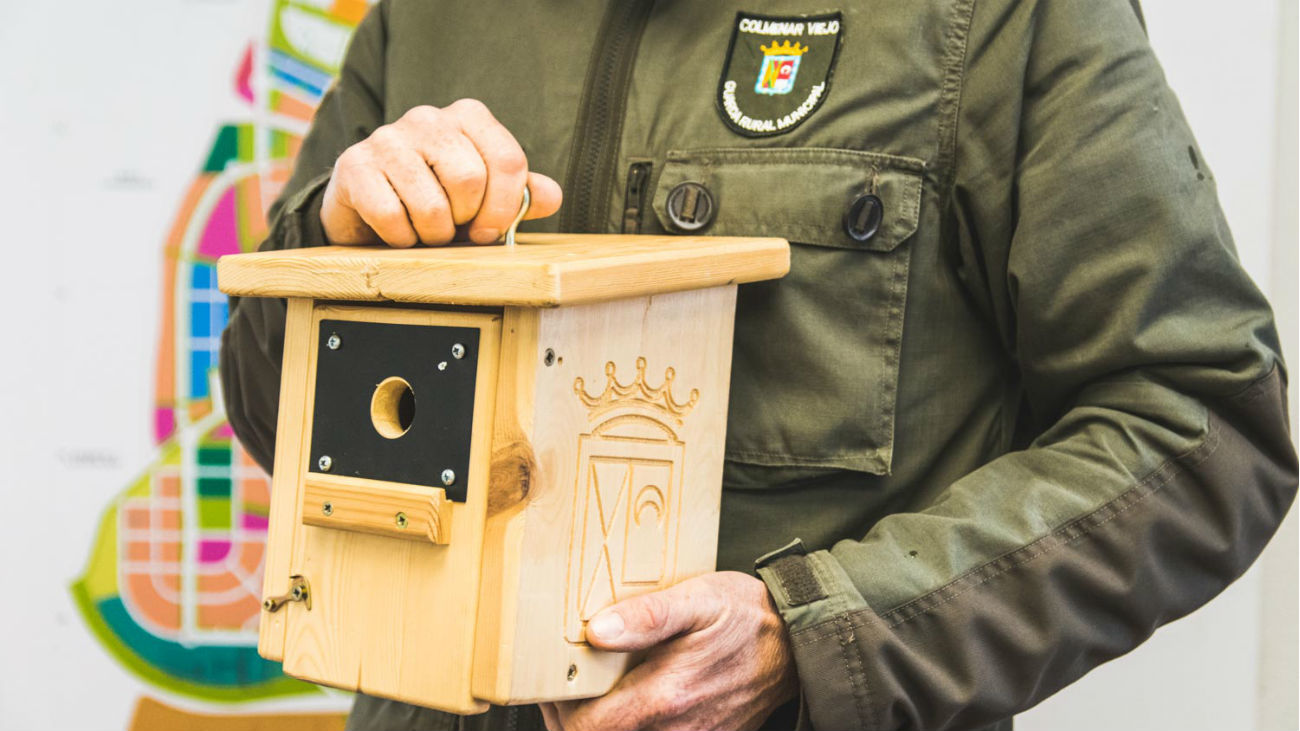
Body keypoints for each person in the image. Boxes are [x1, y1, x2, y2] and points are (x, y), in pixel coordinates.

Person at [220, 0, 1298, 729]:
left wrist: (813, 633)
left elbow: (1199, 420)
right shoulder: (425, 14)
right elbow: (274, 412)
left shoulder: (1000, 15)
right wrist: (335, 243)